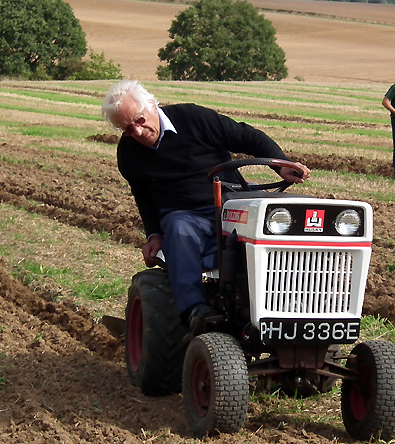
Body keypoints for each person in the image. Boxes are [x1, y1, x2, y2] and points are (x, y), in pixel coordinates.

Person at [101, 80, 310, 335]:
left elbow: (246, 136)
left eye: (139, 120)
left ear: (152, 105)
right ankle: (195, 310)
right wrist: (154, 234)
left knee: (284, 218)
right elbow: (143, 196)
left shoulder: (192, 118)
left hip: (231, 201)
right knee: (179, 229)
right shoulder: (129, 153)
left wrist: (281, 165)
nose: (138, 131)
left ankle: (298, 303)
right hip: (185, 214)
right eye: (127, 129)